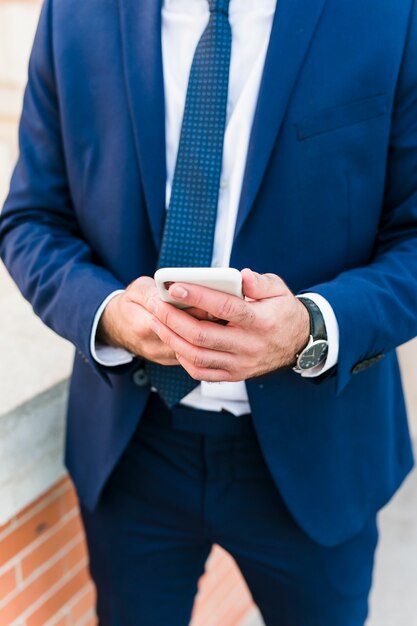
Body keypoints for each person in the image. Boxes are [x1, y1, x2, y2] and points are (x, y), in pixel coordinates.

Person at [1, 0, 417, 624]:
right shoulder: (74, 12)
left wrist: (310, 328)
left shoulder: (391, 13)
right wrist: (111, 314)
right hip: (132, 449)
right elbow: (31, 220)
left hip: (319, 453)